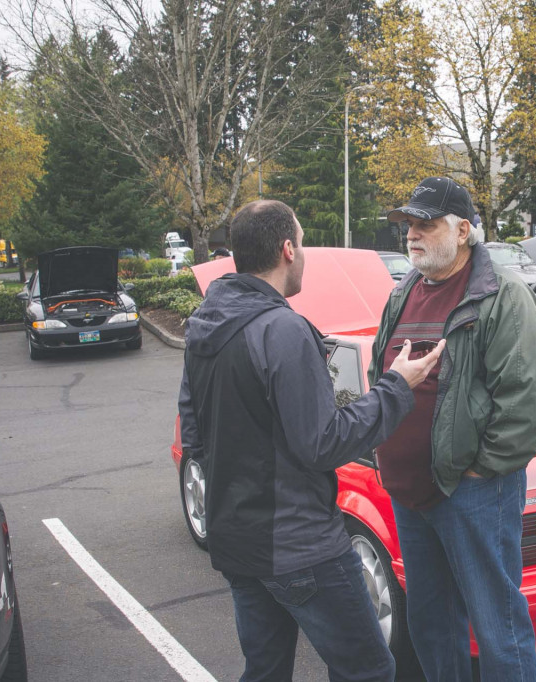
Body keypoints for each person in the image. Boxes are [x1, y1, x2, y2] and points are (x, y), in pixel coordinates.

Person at [178, 199, 444, 682]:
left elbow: (194, 436)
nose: (302, 254)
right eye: (301, 243)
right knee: (368, 669)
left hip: (236, 540)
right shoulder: (283, 330)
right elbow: (323, 443)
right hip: (299, 545)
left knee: (266, 670)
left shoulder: (206, 323)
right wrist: (396, 387)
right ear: (287, 250)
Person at [369, 177, 536, 682]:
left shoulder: (502, 296)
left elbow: (529, 401)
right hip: (411, 494)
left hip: (472, 492)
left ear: (462, 231)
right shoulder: (403, 292)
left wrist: (479, 471)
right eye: (408, 225)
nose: (411, 235)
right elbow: (380, 369)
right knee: (431, 622)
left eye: (425, 225)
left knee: (498, 625)